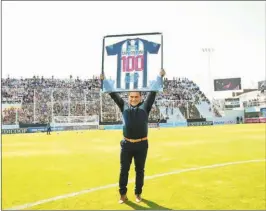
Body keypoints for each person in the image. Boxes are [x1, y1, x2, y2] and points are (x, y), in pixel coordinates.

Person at [101, 69, 165, 204]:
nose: (134, 99)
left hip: (142, 145)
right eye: (131, 97)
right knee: (123, 170)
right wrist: (104, 79)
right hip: (126, 144)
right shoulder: (123, 105)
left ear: (140, 97)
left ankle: (138, 193)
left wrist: (160, 76)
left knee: (139, 170)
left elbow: (153, 92)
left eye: (136, 97)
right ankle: (122, 195)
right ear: (128, 97)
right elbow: (113, 94)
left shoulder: (145, 107)